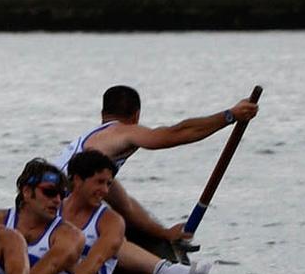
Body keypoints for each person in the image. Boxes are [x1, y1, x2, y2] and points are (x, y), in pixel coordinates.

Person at [55, 84, 260, 246]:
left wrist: (165, 233)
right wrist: (230, 115)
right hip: (58, 214)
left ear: (103, 113)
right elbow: (175, 134)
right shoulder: (124, 131)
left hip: (41, 210)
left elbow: (125, 205)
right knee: (113, 229)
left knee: (116, 220)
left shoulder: (92, 151)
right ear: (136, 115)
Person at [0, 159, 83, 274]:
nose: (57, 200)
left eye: (62, 195)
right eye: (50, 192)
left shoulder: (70, 235)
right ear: (27, 191)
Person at [57, 149, 128, 274]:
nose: (105, 190)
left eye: (108, 184)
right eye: (100, 182)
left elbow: (94, 263)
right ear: (77, 180)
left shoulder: (111, 221)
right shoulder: (51, 210)